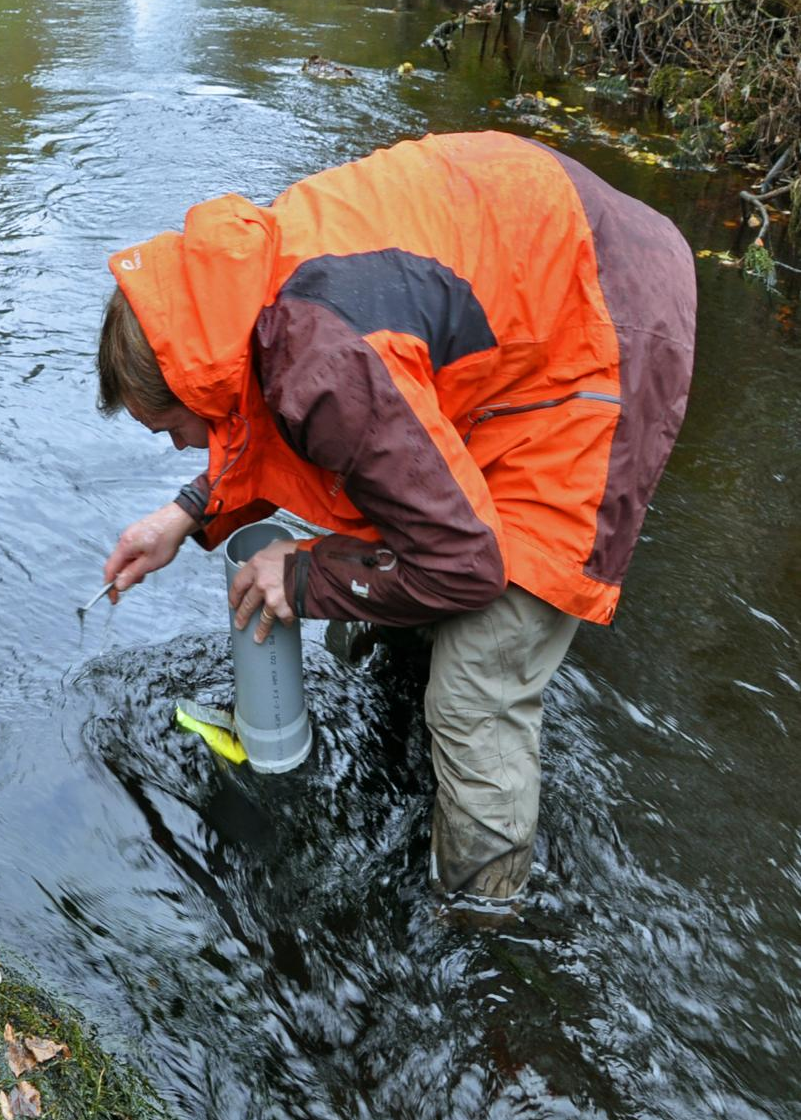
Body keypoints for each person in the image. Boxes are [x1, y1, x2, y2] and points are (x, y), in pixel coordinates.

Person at [95, 130, 696, 909]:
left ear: (193, 382)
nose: (182, 443)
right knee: (401, 543)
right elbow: (278, 421)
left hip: (607, 322)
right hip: (534, 273)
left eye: (171, 428)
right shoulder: (239, 298)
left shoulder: (324, 362)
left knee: (474, 688)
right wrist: (183, 514)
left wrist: (303, 572)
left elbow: (463, 563)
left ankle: (484, 920)